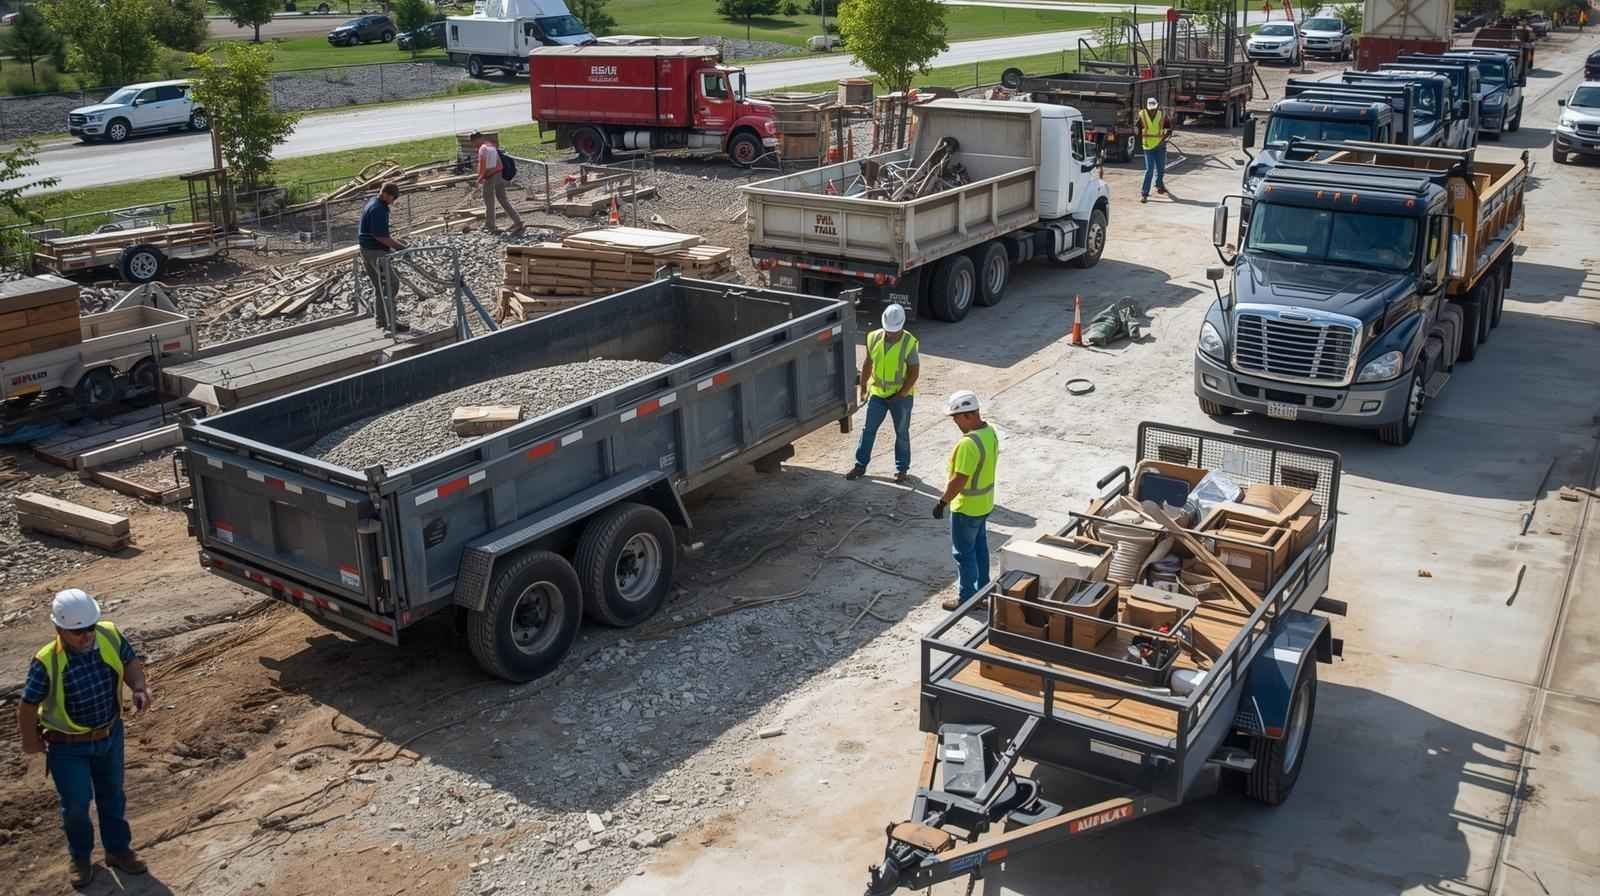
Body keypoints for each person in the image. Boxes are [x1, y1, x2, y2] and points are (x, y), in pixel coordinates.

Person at [17, 589, 151, 890]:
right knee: (77, 805)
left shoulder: (109, 635)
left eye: (89, 628)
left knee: (112, 794)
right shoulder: (46, 661)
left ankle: (118, 851)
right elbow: (27, 706)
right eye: (77, 632)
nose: (86, 636)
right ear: (59, 629)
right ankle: (80, 858)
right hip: (67, 747)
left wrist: (140, 687)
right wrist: (30, 741)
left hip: (110, 734)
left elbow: (129, 661)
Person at [933, 391, 999, 612]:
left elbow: (959, 479)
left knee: (963, 554)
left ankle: (968, 598)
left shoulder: (968, 444)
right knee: (980, 549)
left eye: (956, 417)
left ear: (969, 415)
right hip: (985, 504)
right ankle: (982, 592)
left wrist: (943, 502)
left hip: (967, 508)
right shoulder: (990, 432)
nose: (955, 422)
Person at [846, 304, 920, 483]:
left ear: (902, 325)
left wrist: (901, 395)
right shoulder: (873, 337)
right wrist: (863, 389)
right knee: (868, 430)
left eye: (894, 331)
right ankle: (860, 466)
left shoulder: (909, 343)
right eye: (889, 330)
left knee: (902, 432)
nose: (891, 334)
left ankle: (902, 469)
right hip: (878, 394)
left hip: (901, 397)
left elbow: (914, 372)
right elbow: (867, 363)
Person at [357, 181, 405, 330]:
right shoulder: (378, 209)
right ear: (385, 194)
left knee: (380, 286)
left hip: (367, 250)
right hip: (375, 252)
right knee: (391, 284)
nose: (393, 201)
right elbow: (380, 236)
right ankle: (391, 323)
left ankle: (382, 321)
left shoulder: (374, 202)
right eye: (393, 198)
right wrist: (400, 247)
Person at [473, 131, 525, 234]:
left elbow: (483, 166)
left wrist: (479, 179)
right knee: (502, 199)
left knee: (489, 201)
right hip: (499, 174)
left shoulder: (483, 149)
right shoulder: (491, 146)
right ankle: (517, 221)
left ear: (476, 140)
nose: (473, 144)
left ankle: (490, 225)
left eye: (473, 142)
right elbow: (499, 163)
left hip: (490, 177)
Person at [1137, 96, 1172, 204]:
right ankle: (1144, 193)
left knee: (1161, 169)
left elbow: (1169, 129)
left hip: (1160, 146)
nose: (1152, 110)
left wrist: (1164, 138)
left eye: (1154, 108)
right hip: (1148, 146)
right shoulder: (1142, 115)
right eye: (1150, 108)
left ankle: (1159, 185)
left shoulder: (1162, 115)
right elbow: (1137, 129)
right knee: (1149, 170)